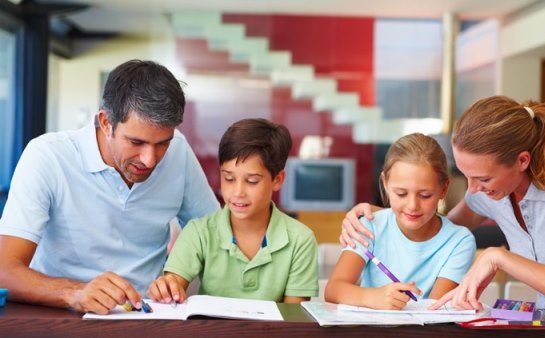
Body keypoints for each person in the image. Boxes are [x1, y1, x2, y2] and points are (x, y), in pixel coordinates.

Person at [339, 95, 545, 323]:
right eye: (466, 175)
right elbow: (431, 224)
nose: (471, 190)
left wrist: (501, 258)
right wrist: (374, 214)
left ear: (522, 161)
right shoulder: (486, 191)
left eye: (482, 178)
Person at [0, 60, 219, 314]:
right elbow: (4, 270)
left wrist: (176, 276)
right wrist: (75, 293)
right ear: (105, 123)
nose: (150, 159)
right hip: (62, 316)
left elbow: (214, 236)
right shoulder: (48, 156)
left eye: (162, 143)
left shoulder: (178, 151)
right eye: (136, 142)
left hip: (148, 317)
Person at [147, 118, 318, 304]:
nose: (237, 193)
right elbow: (173, 285)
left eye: (252, 181)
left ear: (277, 180)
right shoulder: (199, 232)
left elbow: (293, 320)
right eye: (228, 178)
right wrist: (166, 289)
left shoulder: (301, 240)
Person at [324, 133, 476, 310]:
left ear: (444, 189)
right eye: (401, 194)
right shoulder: (368, 226)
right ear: (385, 184)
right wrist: (372, 297)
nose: (412, 206)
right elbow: (333, 290)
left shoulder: (459, 241)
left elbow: (434, 310)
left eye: (425, 195)